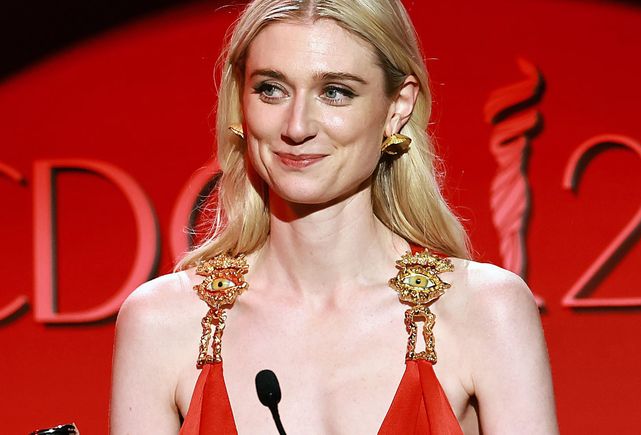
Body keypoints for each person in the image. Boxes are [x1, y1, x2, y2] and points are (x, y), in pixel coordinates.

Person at [110, 0, 559, 433]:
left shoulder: (483, 311)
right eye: (271, 89)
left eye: (335, 92)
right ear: (241, 100)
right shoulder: (162, 323)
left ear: (397, 106)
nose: (297, 126)